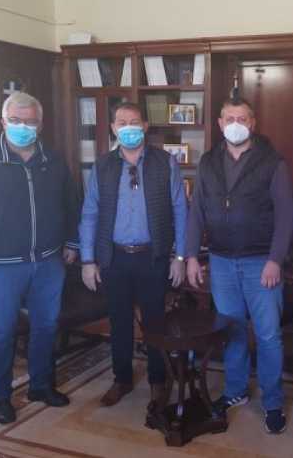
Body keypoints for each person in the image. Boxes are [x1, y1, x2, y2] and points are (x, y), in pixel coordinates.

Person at [0, 91, 80, 424]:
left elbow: (71, 205)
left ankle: (41, 385)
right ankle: (1, 397)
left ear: (40, 124)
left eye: (30, 121)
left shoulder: (53, 160)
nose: (23, 127)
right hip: (1, 266)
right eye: (15, 120)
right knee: (1, 332)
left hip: (49, 261)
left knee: (46, 326)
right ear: (3, 122)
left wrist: (72, 242)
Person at [185, 97, 293, 434]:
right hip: (220, 261)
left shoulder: (272, 161)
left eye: (242, 118)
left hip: (260, 262)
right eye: (229, 118)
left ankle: (272, 402)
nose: (235, 124)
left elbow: (286, 217)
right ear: (220, 123)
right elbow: (196, 211)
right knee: (231, 332)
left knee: (268, 335)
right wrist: (191, 255)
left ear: (252, 123)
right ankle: (235, 391)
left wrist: (275, 260)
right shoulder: (208, 162)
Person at [78, 102, 187, 409]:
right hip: (114, 258)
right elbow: (89, 213)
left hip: (153, 256)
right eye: (122, 122)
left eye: (134, 121)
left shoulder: (165, 162)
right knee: (119, 322)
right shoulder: (102, 166)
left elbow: (181, 210)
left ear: (145, 126)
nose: (128, 127)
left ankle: (157, 381)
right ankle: (122, 379)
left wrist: (179, 257)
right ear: (113, 128)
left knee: (155, 322)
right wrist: (87, 260)